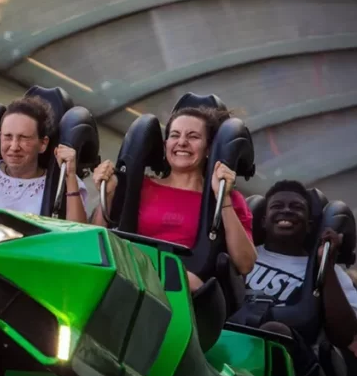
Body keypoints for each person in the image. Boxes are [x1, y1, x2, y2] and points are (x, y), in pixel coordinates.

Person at [92, 107, 255, 290]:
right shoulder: (137, 187)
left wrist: (223, 198)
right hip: (130, 277)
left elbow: (245, 264)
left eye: (193, 137)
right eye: (175, 135)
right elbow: (94, 242)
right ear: (165, 144)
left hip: (186, 290)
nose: (182, 142)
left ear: (208, 148)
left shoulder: (228, 196)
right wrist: (107, 195)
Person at [243, 180, 357, 376]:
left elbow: (346, 334)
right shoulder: (244, 253)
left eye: (296, 207)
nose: (286, 210)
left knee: (273, 330)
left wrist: (326, 267)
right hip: (234, 343)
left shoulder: (328, 270)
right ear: (264, 221)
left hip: (296, 367)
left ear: (309, 224)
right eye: (277, 206)